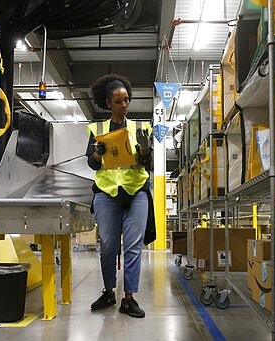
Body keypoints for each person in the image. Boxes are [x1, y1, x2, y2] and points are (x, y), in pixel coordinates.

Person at [86, 73, 154, 318]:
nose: (124, 105)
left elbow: (149, 164)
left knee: (133, 246)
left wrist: (145, 151)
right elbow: (92, 164)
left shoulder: (141, 127)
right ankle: (108, 292)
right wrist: (96, 154)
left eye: (126, 100)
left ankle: (129, 298)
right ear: (108, 103)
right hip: (106, 193)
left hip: (136, 192)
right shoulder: (97, 130)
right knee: (108, 246)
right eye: (118, 101)